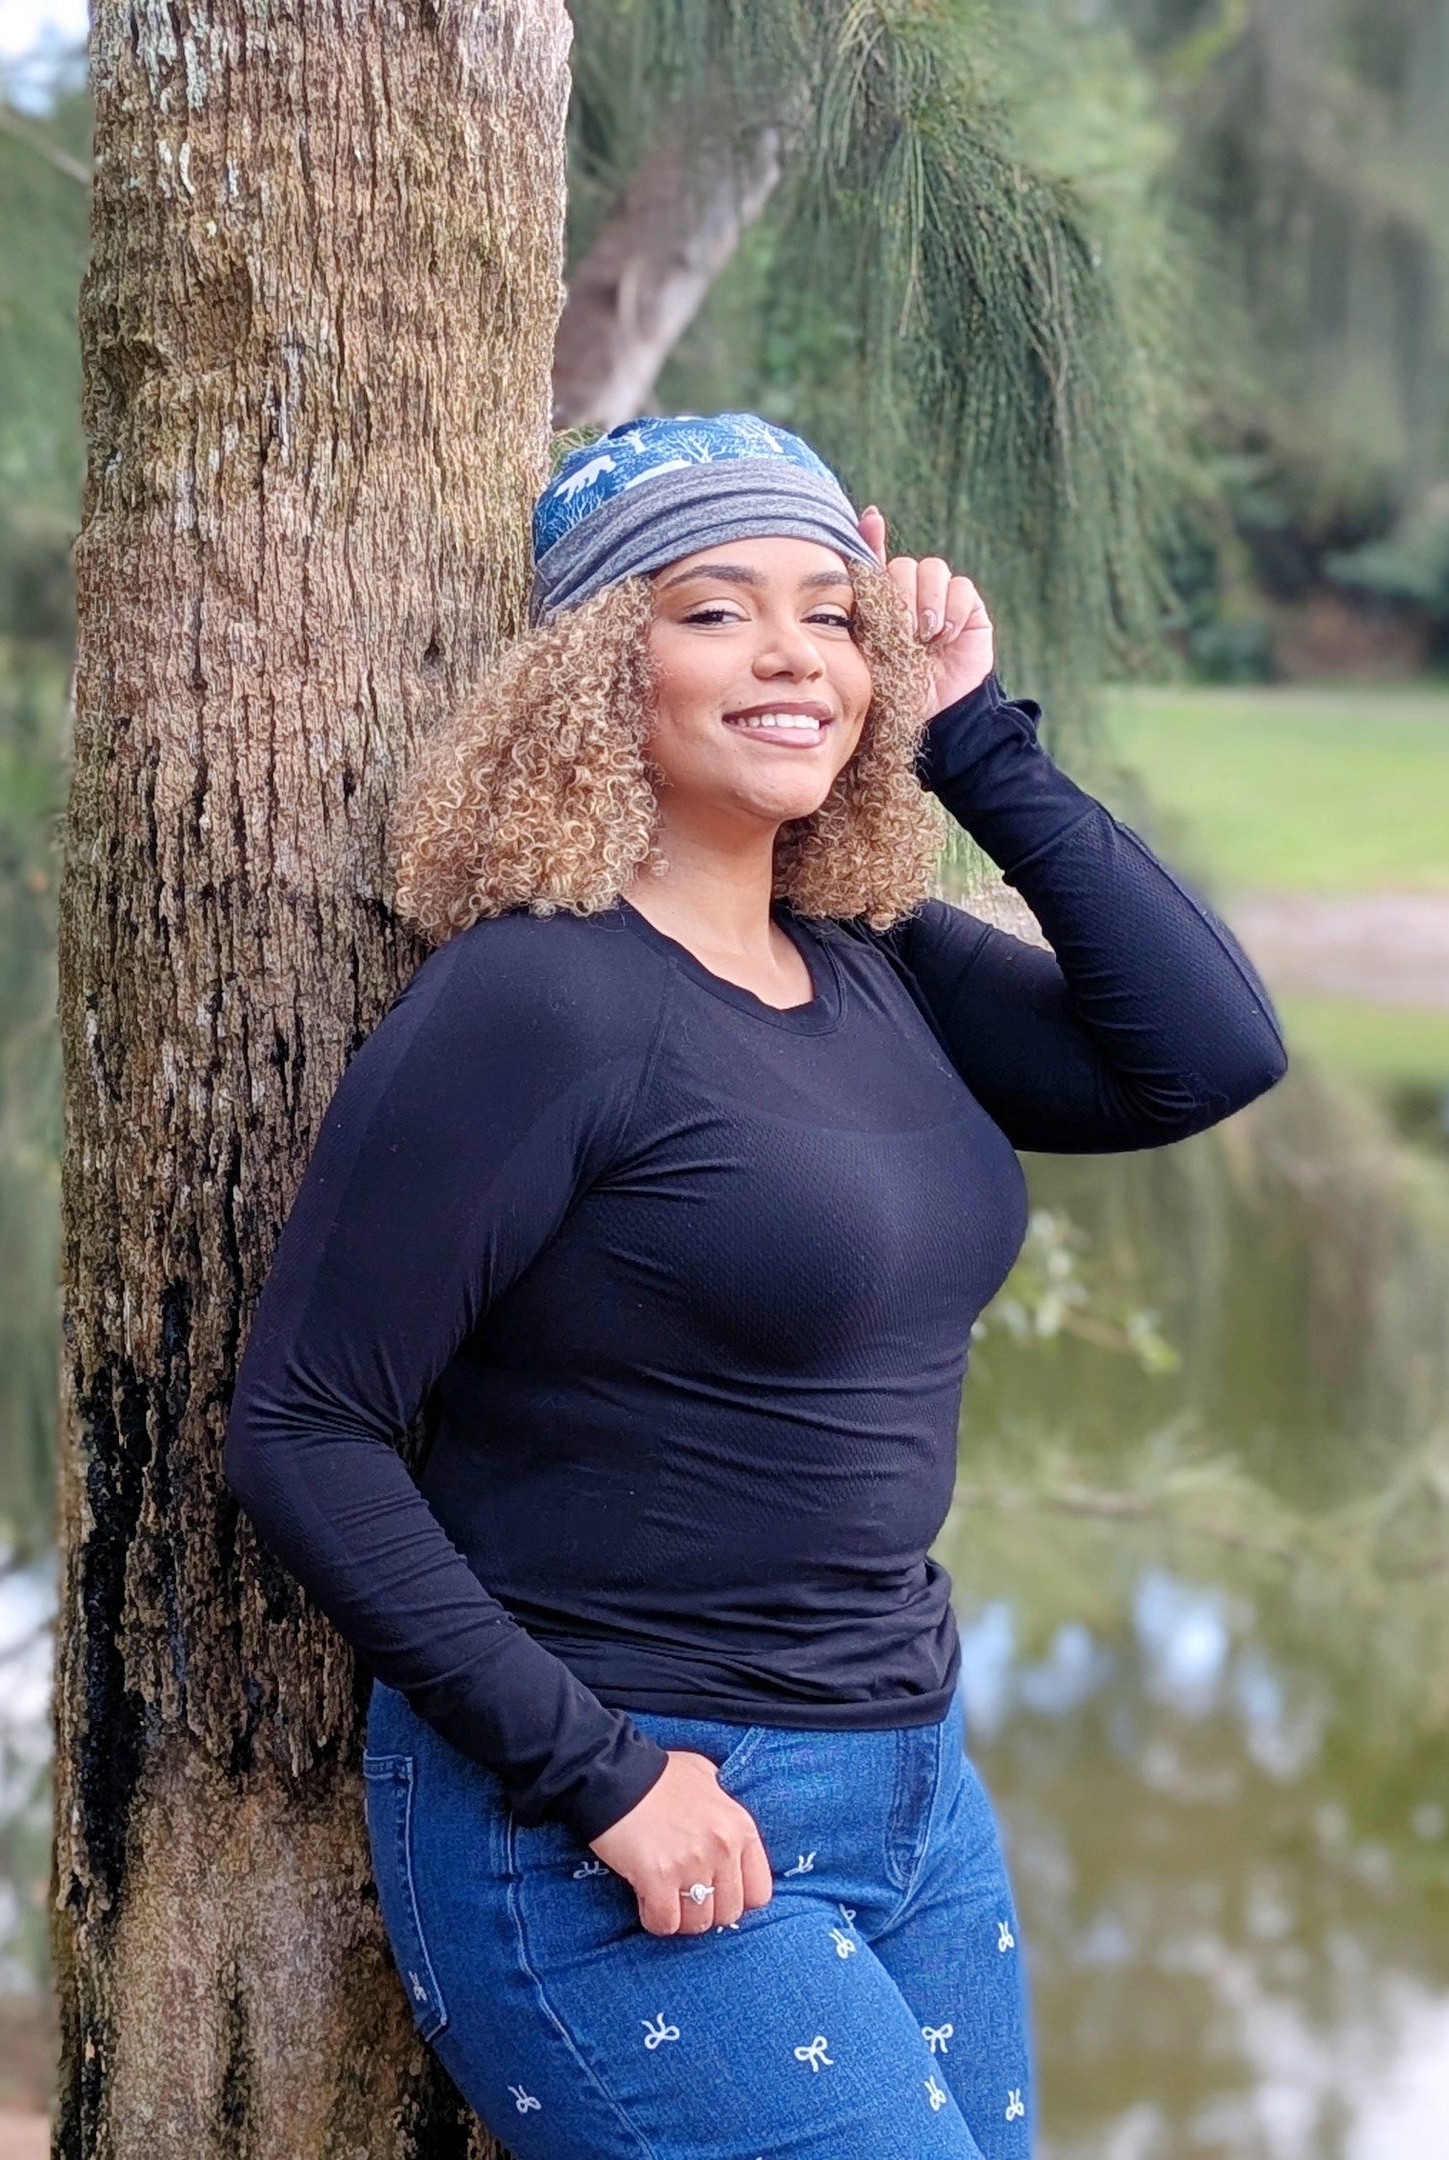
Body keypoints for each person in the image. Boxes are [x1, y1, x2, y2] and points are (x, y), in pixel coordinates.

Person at [221, 413, 1287, 2159]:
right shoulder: (537, 1004)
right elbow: (305, 1431)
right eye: (716, 609)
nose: (794, 652)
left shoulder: (867, 958)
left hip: (911, 1781)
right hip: (614, 1802)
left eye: (827, 611)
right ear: (594, 670)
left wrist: (972, 734)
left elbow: (1202, 1055)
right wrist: (604, 1778)